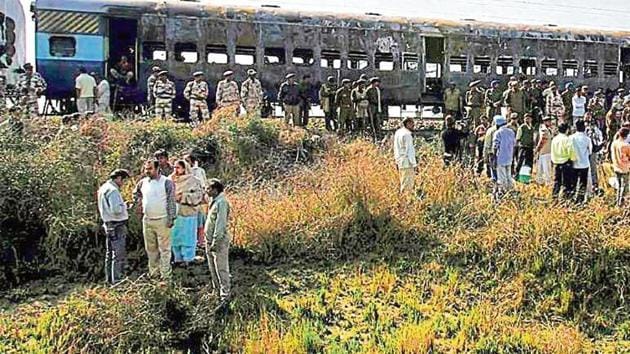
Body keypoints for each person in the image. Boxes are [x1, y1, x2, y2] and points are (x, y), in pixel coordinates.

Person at [134, 159, 177, 279]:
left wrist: (171, 218)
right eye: (146, 169)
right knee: (151, 249)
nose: (147, 171)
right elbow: (136, 194)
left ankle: (165, 276)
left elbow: (171, 201)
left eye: (150, 169)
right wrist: (138, 203)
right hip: (147, 220)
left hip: (162, 220)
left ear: (157, 169)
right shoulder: (142, 183)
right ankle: (154, 274)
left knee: (164, 250)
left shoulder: (166, 182)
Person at [97, 169, 130, 285]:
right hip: (117, 224)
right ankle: (117, 281)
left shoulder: (103, 188)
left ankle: (109, 280)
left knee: (109, 253)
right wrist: (124, 206)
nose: (123, 183)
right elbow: (116, 210)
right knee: (118, 254)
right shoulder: (113, 190)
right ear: (119, 178)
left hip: (108, 223)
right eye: (123, 180)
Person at [169, 160, 205, 266]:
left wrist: (183, 197)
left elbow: (199, 196)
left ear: (185, 168)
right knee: (175, 237)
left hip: (188, 213)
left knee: (188, 237)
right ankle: (177, 258)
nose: (176, 170)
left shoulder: (193, 180)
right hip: (175, 213)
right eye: (175, 167)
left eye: (178, 167)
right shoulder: (170, 180)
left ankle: (188, 258)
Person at [205, 178, 231, 301]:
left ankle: (225, 295)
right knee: (212, 268)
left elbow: (220, 224)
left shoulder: (222, 202)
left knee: (221, 268)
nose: (206, 191)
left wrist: (215, 241)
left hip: (218, 241)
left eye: (209, 188)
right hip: (209, 240)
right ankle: (216, 292)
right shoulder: (213, 201)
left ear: (215, 190)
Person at [185, 153, 209, 247]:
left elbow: (202, 186)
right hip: (187, 201)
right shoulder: (183, 171)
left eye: (187, 161)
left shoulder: (198, 171)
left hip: (197, 200)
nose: (186, 163)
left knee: (200, 220)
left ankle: (200, 242)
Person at [492, 115, 516, 199]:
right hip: (509, 157)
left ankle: (503, 193)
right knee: (508, 176)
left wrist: (494, 158)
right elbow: (514, 144)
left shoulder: (498, 133)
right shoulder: (511, 132)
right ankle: (510, 191)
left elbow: (495, 146)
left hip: (500, 158)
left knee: (502, 177)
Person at [551, 123, 576, 200]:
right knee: (567, 183)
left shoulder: (554, 139)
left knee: (557, 182)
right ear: (567, 130)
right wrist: (573, 159)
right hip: (566, 163)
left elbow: (552, 151)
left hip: (556, 163)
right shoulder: (567, 139)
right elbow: (570, 151)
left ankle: (554, 198)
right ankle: (565, 199)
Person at [570, 120, 592, 204]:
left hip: (574, 163)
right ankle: (581, 200)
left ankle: (572, 199)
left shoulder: (571, 138)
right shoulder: (587, 139)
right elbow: (590, 151)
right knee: (583, 183)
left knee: (574, 182)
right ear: (584, 127)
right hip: (584, 164)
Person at [393, 117, 417, 195]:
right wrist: (414, 164)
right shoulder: (407, 134)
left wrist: (396, 161)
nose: (413, 125)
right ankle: (406, 203)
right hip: (407, 162)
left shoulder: (398, 132)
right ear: (408, 123)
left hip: (400, 161)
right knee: (408, 186)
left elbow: (395, 148)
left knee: (403, 183)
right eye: (412, 123)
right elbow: (410, 150)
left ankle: (403, 202)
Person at [584, 113, 604, 194]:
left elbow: (599, 139)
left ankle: (594, 185)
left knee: (593, 169)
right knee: (588, 169)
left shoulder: (596, 130)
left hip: (593, 151)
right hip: (586, 151)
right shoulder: (583, 129)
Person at [611, 127, 630, 207]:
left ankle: (617, 201)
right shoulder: (626, 145)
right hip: (625, 168)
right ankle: (621, 204)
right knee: (625, 187)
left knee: (619, 186)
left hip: (616, 166)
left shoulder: (614, 143)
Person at [515, 113, 535, 180]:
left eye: (529, 118)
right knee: (520, 161)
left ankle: (527, 176)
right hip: (523, 147)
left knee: (529, 162)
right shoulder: (522, 127)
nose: (527, 119)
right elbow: (518, 138)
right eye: (526, 118)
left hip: (530, 147)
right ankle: (517, 175)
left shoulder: (532, 128)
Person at [535, 116, 554, 186]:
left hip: (545, 151)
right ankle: (547, 182)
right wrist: (537, 149)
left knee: (541, 168)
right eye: (548, 121)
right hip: (545, 151)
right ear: (545, 122)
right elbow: (543, 140)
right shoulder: (544, 130)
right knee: (546, 168)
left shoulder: (548, 129)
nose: (550, 122)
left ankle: (540, 182)